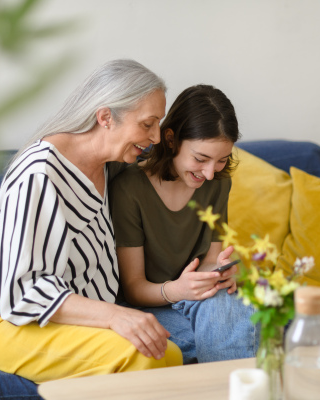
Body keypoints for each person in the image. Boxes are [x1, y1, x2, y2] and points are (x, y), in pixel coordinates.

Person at [0, 59, 183, 384]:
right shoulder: (39, 173)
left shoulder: (109, 163)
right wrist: (117, 316)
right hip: (1, 316)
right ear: (105, 117)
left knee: (166, 350)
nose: (156, 136)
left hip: (62, 316)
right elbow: (20, 290)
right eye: (147, 124)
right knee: (150, 357)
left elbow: (179, 162)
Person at [110, 84, 258, 363]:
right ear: (170, 139)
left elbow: (211, 259)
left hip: (201, 301)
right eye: (200, 159)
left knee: (230, 309)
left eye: (221, 161)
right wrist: (178, 289)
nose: (210, 174)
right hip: (153, 303)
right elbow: (133, 287)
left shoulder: (218, 183)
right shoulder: (129, 188)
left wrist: (221, 272)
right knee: (242, 326)